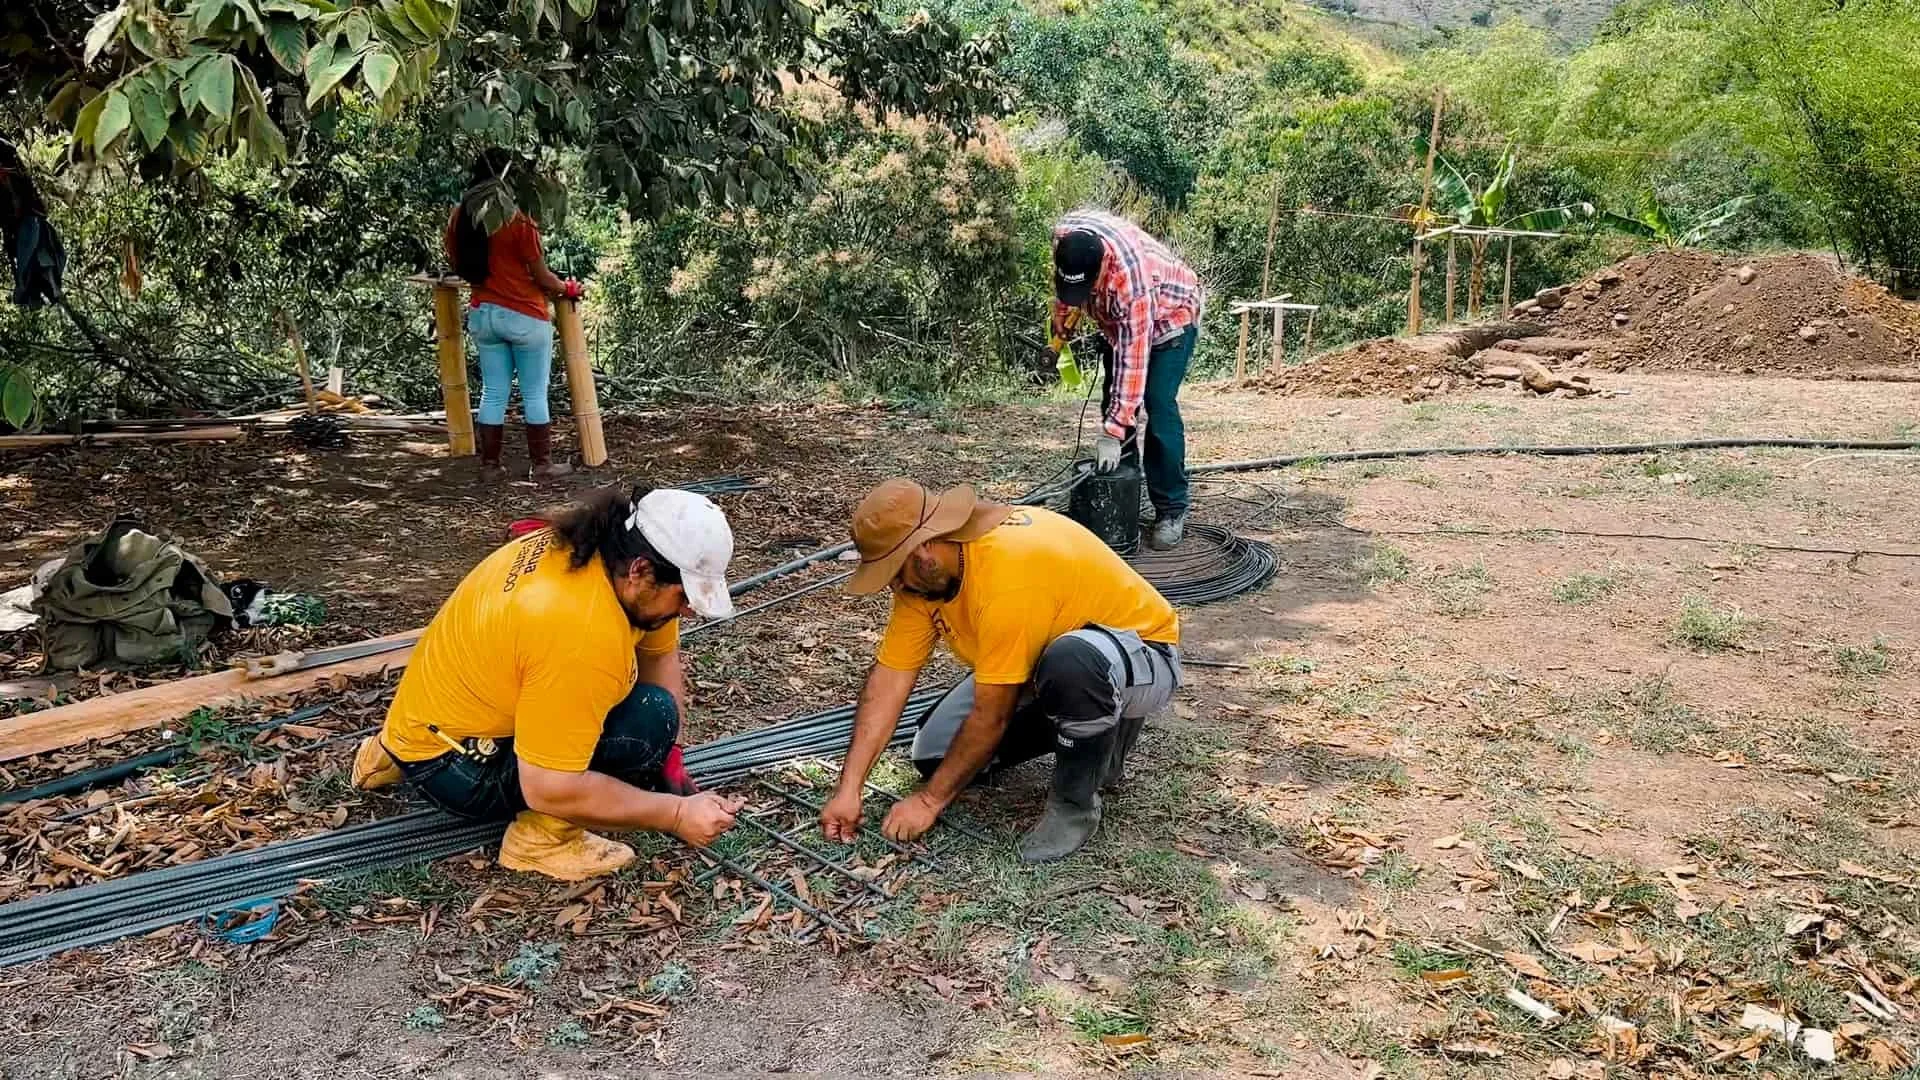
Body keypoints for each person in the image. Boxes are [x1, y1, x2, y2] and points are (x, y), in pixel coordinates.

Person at [351, 485, 745, 881]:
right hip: (458, 769)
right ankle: (543, 841)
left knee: (651, 717)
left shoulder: (595, 551)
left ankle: (387, 757)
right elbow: (549, 786)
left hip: (422, 723)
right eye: (684, 597)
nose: (688, 610)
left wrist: (671, 759)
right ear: (642, 571)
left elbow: (659, 655)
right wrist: (675, 814)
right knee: (649, 722)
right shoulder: (580, 632)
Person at [819, 479, 1183, 863]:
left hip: (1141, 656)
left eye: (894, 571)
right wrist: (850, 787)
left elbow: (991, 716)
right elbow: (888, 682)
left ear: (924, 548)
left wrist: (929, 801)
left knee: (1072, 664)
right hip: (1042, 657)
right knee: (934, 757)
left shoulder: (1007, 573)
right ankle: (1089, 723)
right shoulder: (922, 584)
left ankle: (1075, 806)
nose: (893, 586)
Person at [1050, 209, 1204, 550]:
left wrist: (1113, 429)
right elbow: (1065, 285)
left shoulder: (1132, 284)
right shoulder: (1066, 239)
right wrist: (1062, 315)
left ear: (1104, 265)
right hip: (1117, 324)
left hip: (1169, 318)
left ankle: (1170, 509)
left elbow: (1133, 363)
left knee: (1156, 403)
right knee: (1114, 402)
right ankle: (1124, 502)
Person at [445, 151, 582, 482]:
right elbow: (542, 277)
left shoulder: (460, 216)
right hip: (524, 315)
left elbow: (457, 263)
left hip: (483, 315)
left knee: (493, 391)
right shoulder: (518, 220)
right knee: (535, 392)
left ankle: (490, 467)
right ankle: (543, 465)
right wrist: (569, 288)